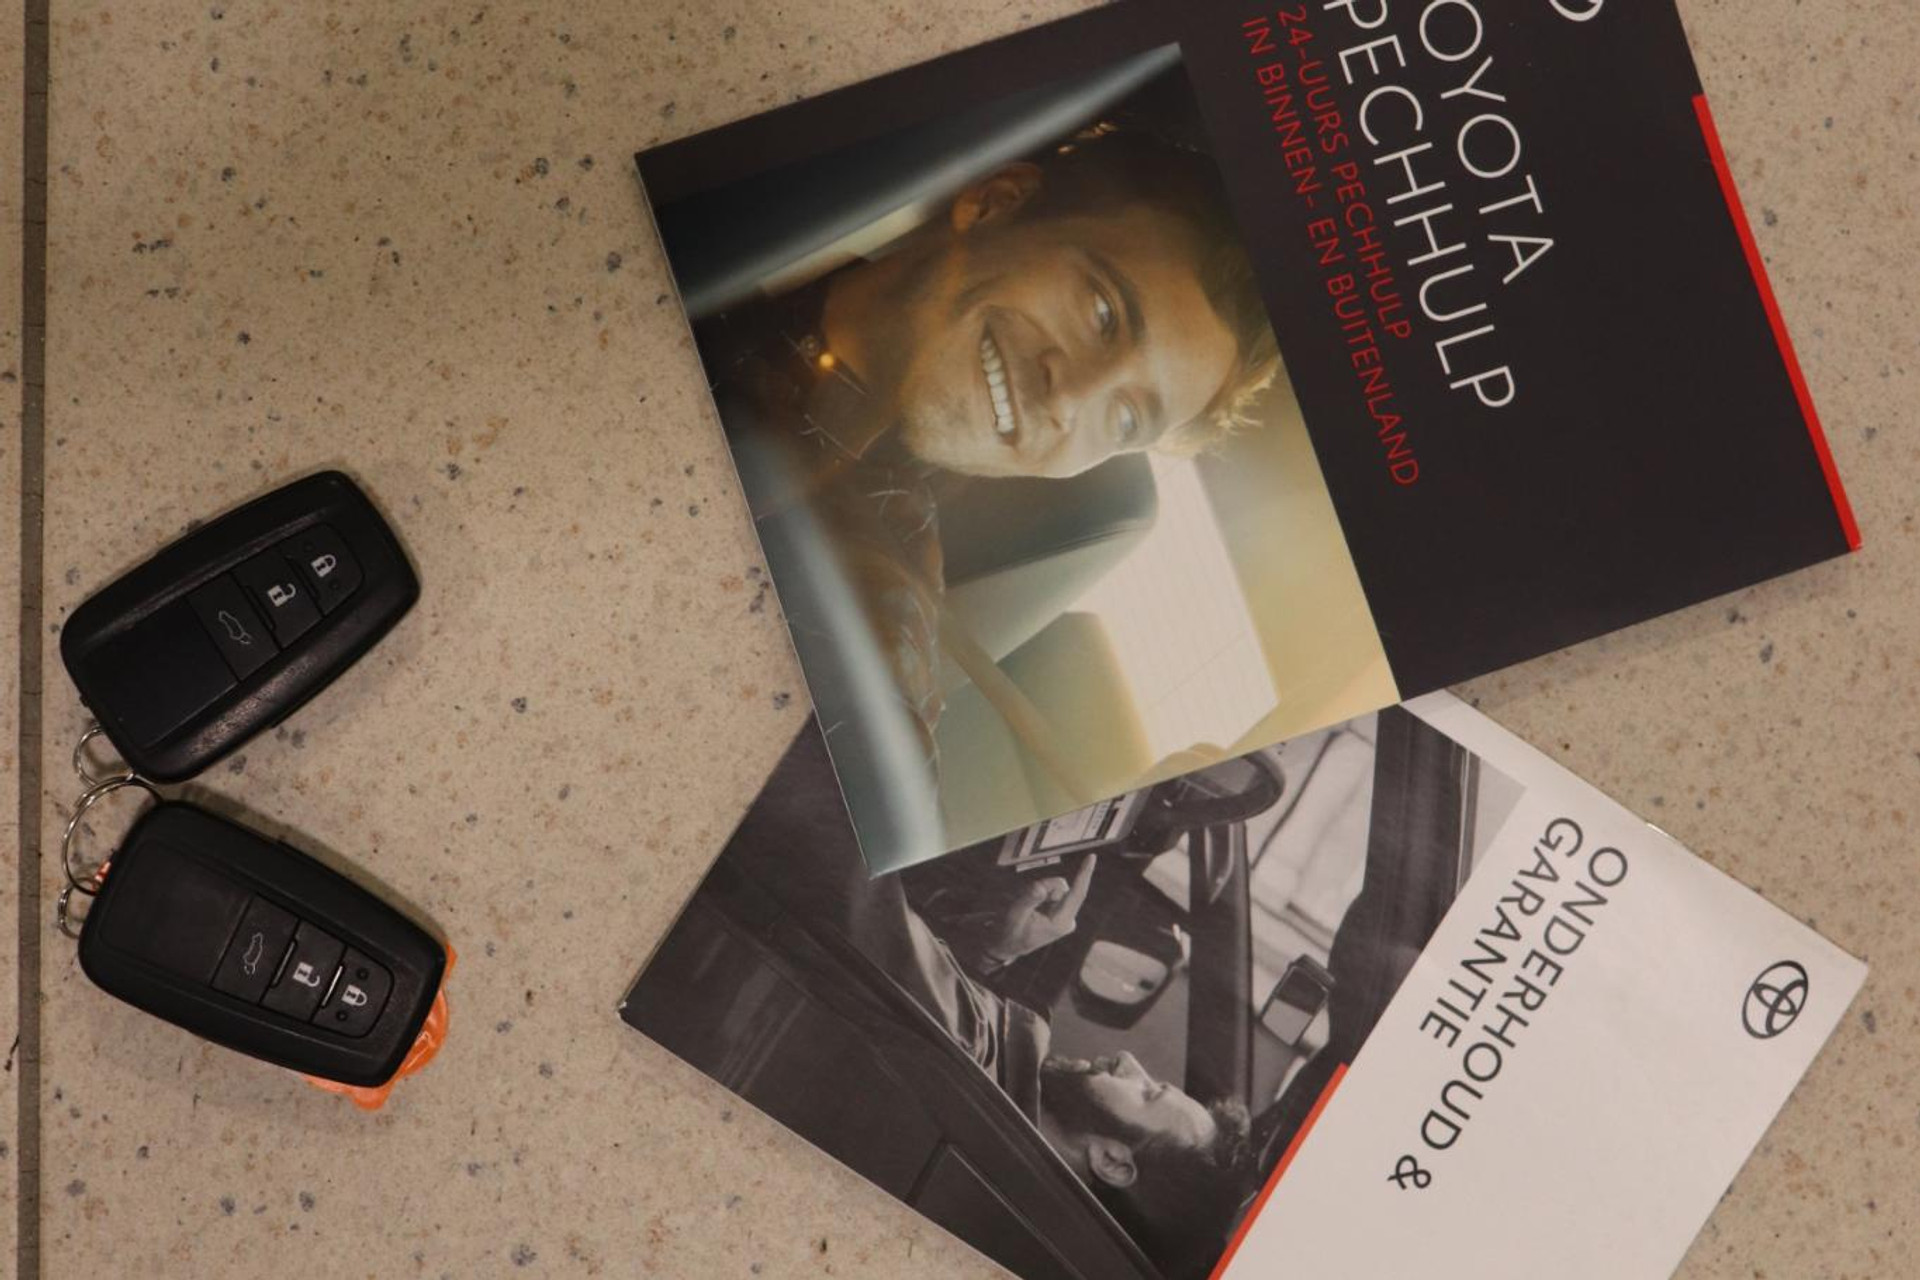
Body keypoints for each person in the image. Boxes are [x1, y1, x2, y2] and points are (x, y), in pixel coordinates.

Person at [696, 126, 1283, 762]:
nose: (1069, 398)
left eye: (1125, 420)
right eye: (1103, 313)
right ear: (996, 203)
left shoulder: (876, 596)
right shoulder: (739, 201)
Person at [727, 725, 1257, 1276]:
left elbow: (841, 860)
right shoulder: (990, 1123)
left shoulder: (968, 1053)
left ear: (1113, 1162)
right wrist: (991, 952)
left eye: (1147, 1092)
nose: (1130, 1061)